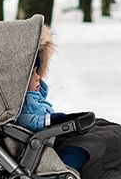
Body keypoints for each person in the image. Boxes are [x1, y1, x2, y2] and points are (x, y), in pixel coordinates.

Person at [16, 26, 89, 171]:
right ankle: (67, 170)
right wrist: (49, 120)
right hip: (43, 149)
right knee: (86, 149)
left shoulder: (34, 97)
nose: (38, 77)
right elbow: (23, 120)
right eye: (33, 74)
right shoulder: (22, 103)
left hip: (49, 142)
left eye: (38, 72)